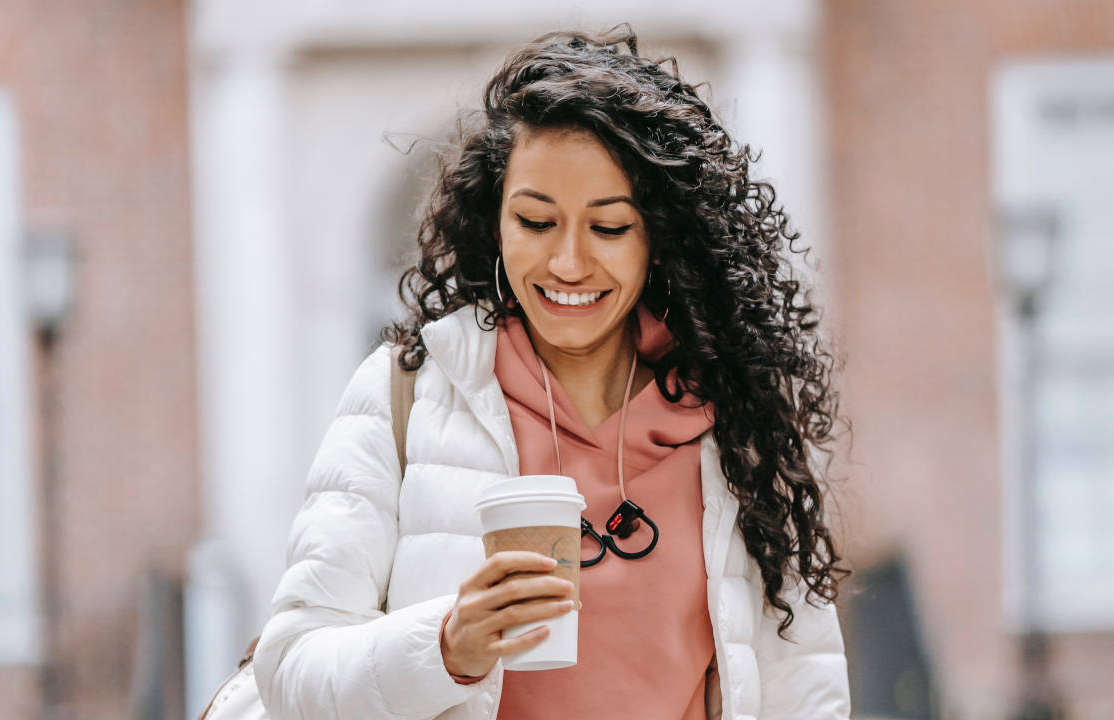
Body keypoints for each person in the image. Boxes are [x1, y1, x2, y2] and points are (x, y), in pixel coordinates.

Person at [253, 24, 852, 720]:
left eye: (608, 228)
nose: (568, 263)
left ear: (658, 239)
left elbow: (805, 695)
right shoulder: (407, 394)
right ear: (495, 221)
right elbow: (291, 669)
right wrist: (446, 647)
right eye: (536, 222)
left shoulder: (738, 416)